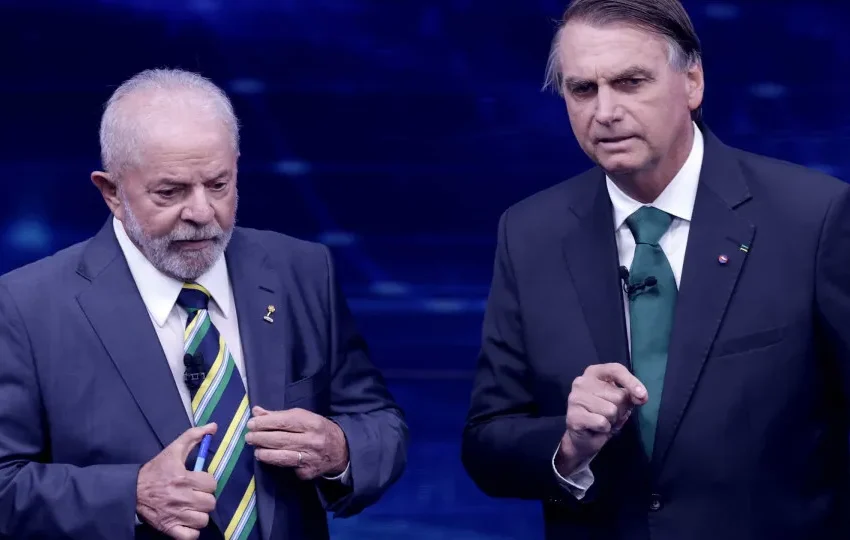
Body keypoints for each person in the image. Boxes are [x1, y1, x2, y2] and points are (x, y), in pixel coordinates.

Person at [462, 0, 850, 538]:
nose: (605, 111)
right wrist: (570, 445)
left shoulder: (814, 217)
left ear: (692, 83)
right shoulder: (530, 234)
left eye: (630, 82)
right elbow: (486, 442)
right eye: (583, 89)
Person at [0, 68, 408, 540]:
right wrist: (130, 495)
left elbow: (380, 424)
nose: (200, 212)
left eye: (218, 185)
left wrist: (341, 449)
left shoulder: (302, 270)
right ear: (111, 192)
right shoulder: (26, 306)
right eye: (170, 192)